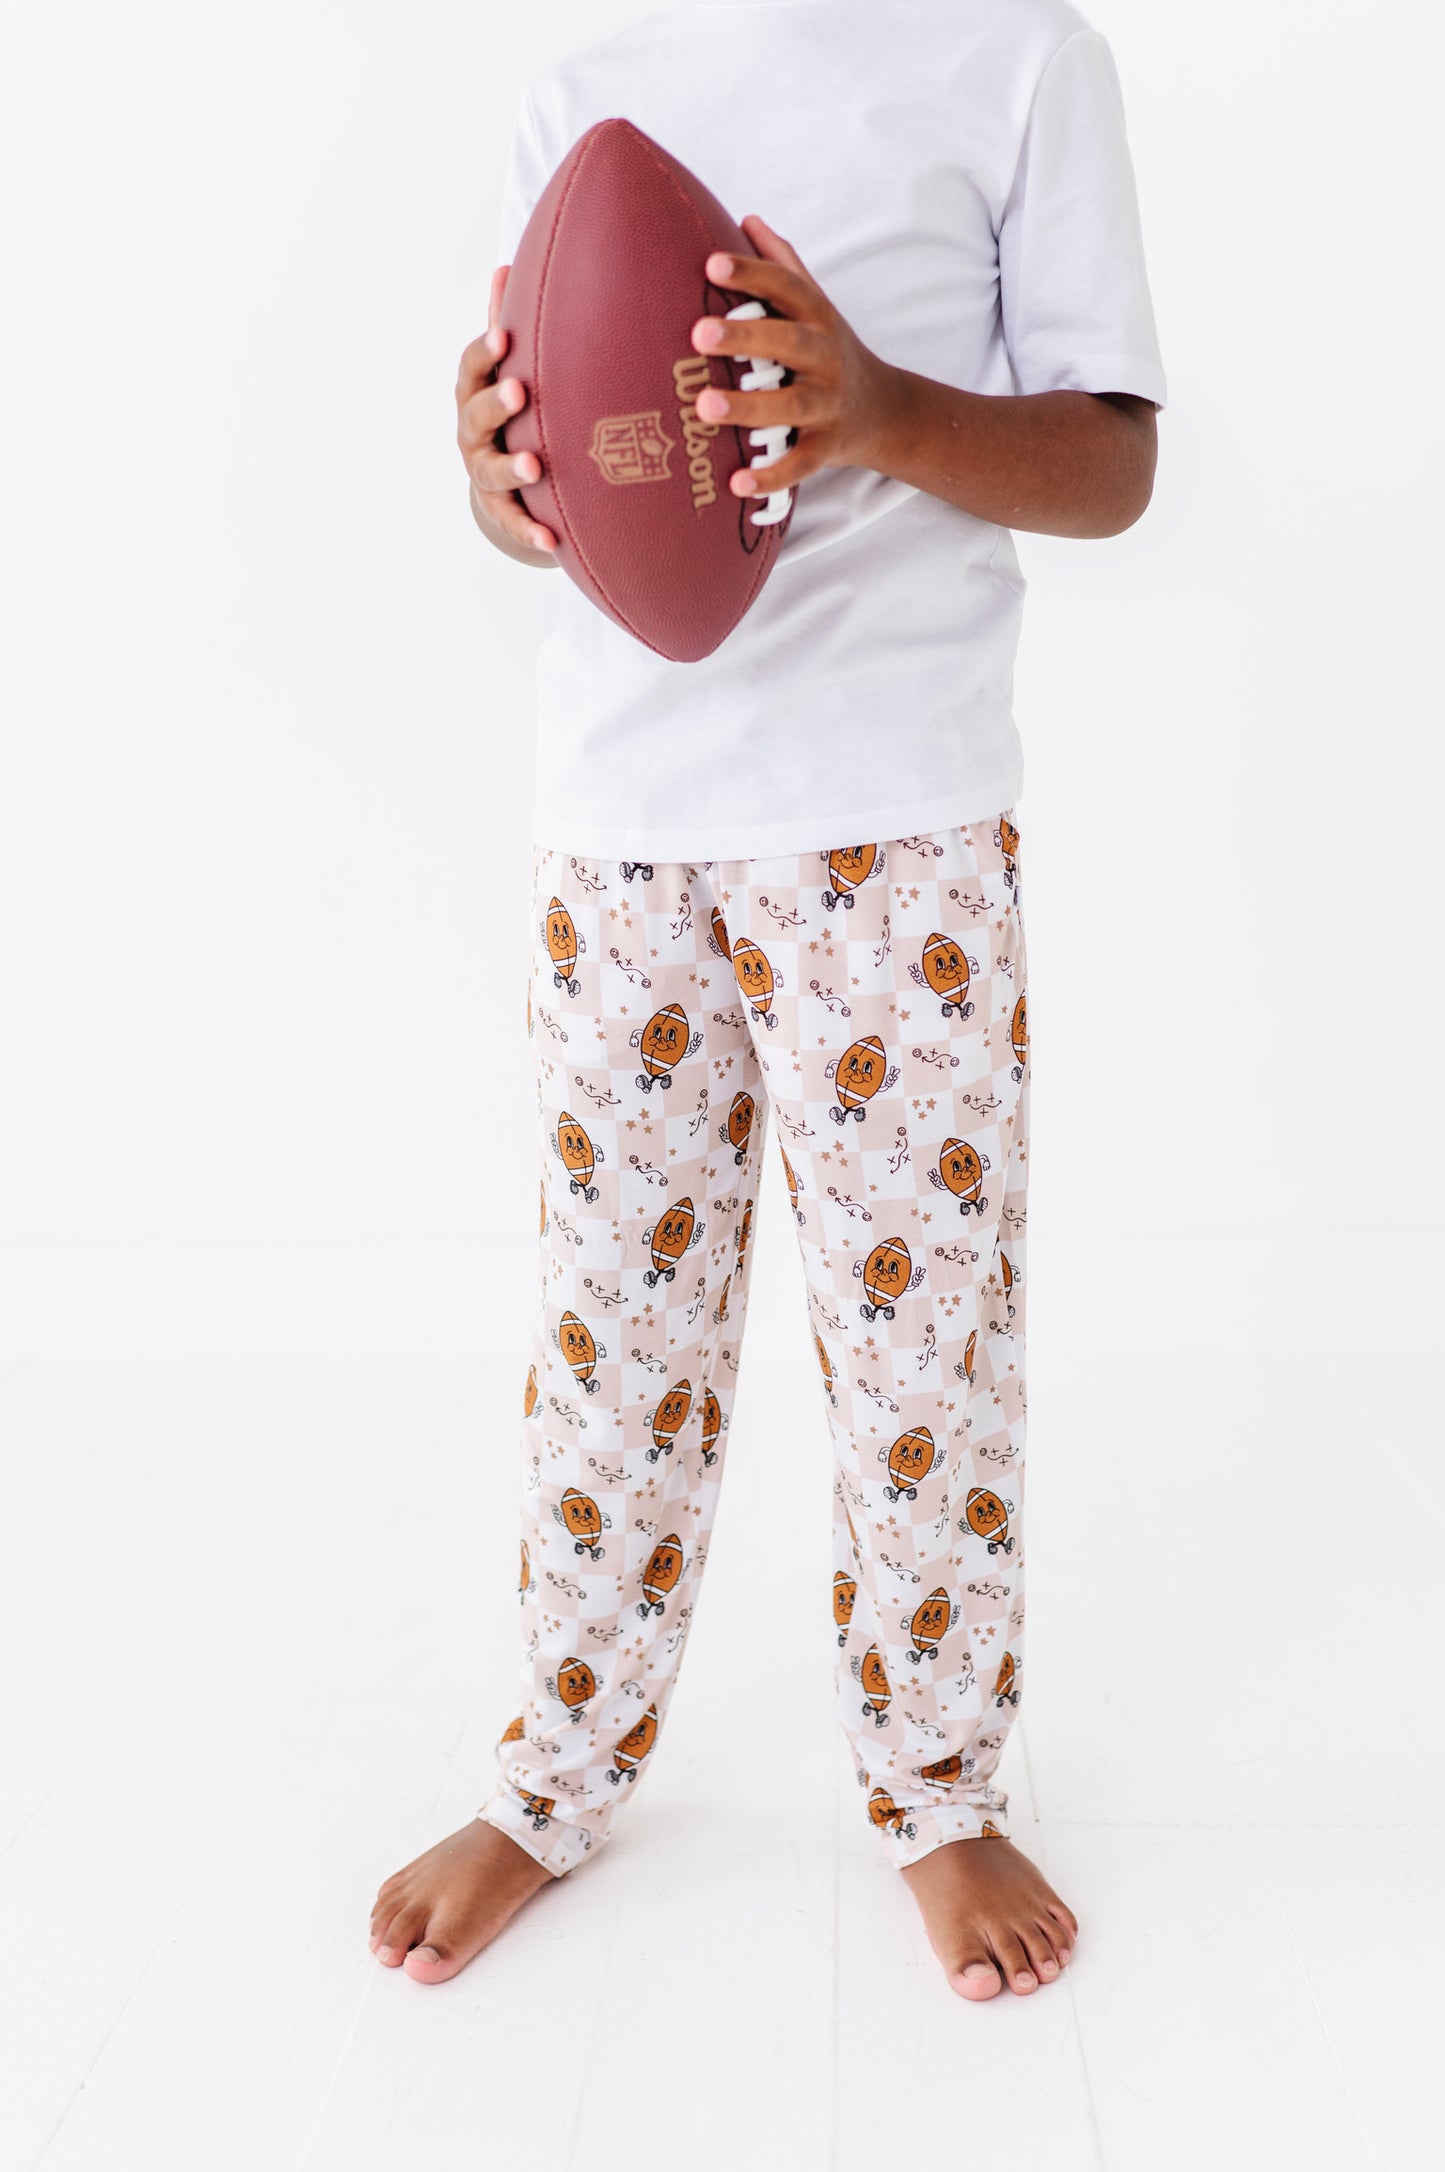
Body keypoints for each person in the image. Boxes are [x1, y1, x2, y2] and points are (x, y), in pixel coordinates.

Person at [370, 0, 1164, 2001]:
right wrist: (491, 480)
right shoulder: (587, 84)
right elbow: (562, 474)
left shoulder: (1018, 61)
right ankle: (553, 1775)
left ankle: (939, 1793)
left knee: (923, 1361)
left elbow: (1111, 467)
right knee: (610, 1331)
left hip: (893, 844)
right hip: (620, 840)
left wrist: (881, 411)